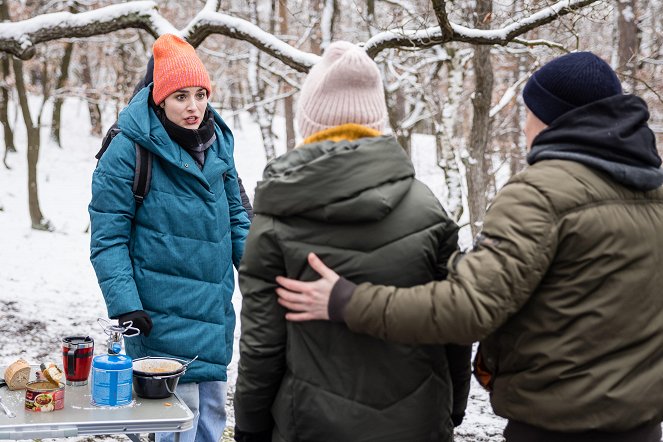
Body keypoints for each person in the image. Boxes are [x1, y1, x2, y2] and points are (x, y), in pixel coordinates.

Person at [276, 51, 663, 442]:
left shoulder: (542, 195)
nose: (524, 127)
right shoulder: (653, 191)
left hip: (559, 425)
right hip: (642, 424)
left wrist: (348, 300)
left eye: (529, 113)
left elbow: (466, 308)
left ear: (550, 119)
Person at [233, 41, 471, 442]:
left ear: (310, 123)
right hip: (418, 423)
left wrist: (250, 425)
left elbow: (262, 345)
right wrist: (454, 405)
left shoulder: (277, 215)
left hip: (311, 425)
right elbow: (454, 326)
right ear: (376, 121)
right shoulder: (428, 208)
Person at [89, 34, 251, 442]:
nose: (194, 107)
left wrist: (259, 273)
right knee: (172, 418)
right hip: (156, 310)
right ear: (159, 99)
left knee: (212, 410)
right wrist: (125, 304)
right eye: (180, 96)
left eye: (200, 94)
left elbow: (237, 217)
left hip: (212, 308)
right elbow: (108, 235)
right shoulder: (128, 149)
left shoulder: (218, 144)